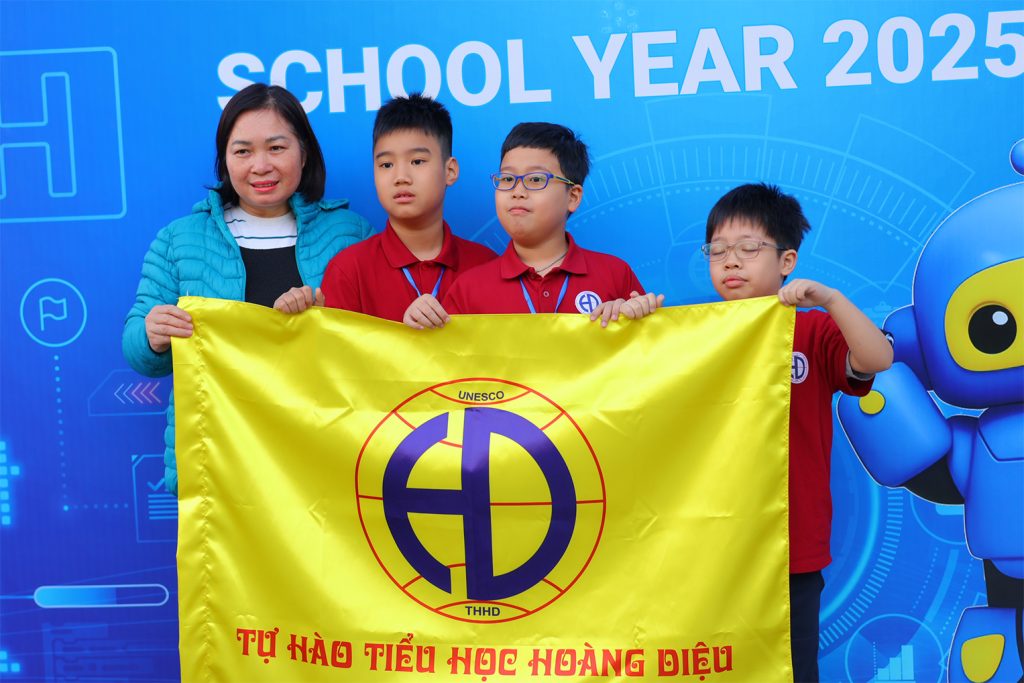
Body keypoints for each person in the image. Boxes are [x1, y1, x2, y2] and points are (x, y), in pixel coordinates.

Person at [122, 83, 372, 494]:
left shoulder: (350, 233)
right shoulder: (179, 240)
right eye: (243, 151)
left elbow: (380, 344)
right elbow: (138, 352)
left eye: (276, 148)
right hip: (220, 463)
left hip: (328, 456)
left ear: (303, 153)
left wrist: (330, 317)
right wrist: (152, 335)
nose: (261, 165)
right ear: (224, 160)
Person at [702, 183, 893, 682]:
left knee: (793, 668)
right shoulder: (692, 333)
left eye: (748, 248)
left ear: (787, 260)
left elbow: (878, 358)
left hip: (792, 545)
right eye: (717, 251)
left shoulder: (811, 330)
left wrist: (829, 299)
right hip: (710, 542)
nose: (731, 261)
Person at [281, 94, 496, 327]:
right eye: (386, 165)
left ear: (450, 170)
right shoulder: (349, 270)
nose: (400, 177)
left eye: (417, 161)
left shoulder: (486, 266)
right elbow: (338, 350)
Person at [442, 122, 662, 324]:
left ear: (573, 197)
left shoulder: (614, 275)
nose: (517, 191)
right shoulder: (468, 288)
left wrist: (634, 318)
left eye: (536, 179)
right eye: (507, 179)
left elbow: (647, 350)